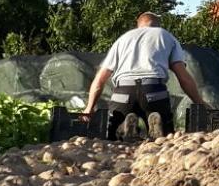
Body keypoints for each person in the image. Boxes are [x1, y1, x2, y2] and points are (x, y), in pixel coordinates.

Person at [84, 12, 208, 140]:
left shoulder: (122, 40)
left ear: (138, 25)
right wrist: (200, 104)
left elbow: (99, 80)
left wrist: (89, 107)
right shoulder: (165, 35)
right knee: (165, 137)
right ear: (157, 24)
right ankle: (157, 127)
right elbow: (183, 78)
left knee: (114, 137)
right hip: (153, 92)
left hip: (123, 94)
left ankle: (123, 127)